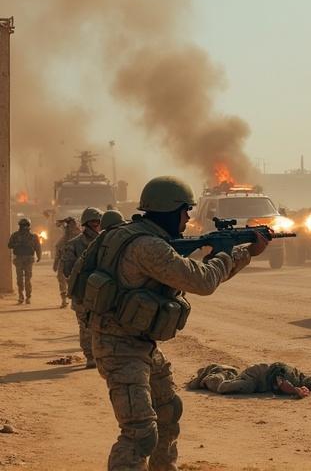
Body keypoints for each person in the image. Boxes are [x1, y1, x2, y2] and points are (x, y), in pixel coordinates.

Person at [88, 176, 268, 471]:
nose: (187, 219)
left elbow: (198, 272)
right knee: (140, 433)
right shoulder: (148, 247)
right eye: (185, 211)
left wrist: (244, 251)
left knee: (168, 413)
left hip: (138, 344)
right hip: (119, 348)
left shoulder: (140, 236)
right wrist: (224, 253)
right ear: (170, 210)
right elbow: (202, 280)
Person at [62, 207, 103, 368]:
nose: (97, 225)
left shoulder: (105, 243)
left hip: (102, 291)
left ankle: (101, 355)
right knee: (85, 326)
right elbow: (66, 269)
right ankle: (90, 356)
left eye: (99, 222)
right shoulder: (73, 244)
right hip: (82, 292)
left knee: (103, 325)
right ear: (86, 224)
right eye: (94, 222)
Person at [187, 362, 311, 398]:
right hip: (256, 376)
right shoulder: (284, 374)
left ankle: (229, 373)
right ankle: (218, 372)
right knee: (224, 387)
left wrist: (303, 387)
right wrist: (297, 391)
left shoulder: (299, 377)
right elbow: (282, 384)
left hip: (263, 380)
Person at [7, 218, 42, 304]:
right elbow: (9, 245)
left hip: (28, 259)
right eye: (22, 226)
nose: (24, 228)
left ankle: (27, 297)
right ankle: (21, 296)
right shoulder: (15, 235)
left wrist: (39, 256)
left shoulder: (33, 236)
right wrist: (17, 244)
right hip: (19, 258)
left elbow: (38, 247)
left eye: (25, 225)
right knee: (19, 279)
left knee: (27, 279)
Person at [53, 217, 81, 308]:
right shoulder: (65, 238)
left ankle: (73, 299)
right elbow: (58, 250)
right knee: (62, 279)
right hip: (65, 260)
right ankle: (65, 300)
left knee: (71, 281)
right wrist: (56, 263)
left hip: (75, 261)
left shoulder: (79, 236)